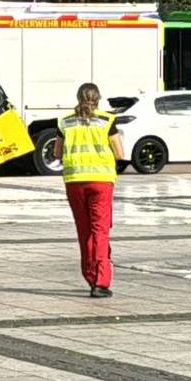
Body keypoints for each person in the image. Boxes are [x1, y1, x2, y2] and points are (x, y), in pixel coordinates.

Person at [60, 82, 122, 299]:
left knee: (84, 231)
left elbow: (57, 153)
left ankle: (89, 275)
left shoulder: (65, 122)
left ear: (78, 98)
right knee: (100, 231)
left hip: (75, 181)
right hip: (101, 181)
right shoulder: (107, 121)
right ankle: (101, 282)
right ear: (98, 99)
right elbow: (120, 153)